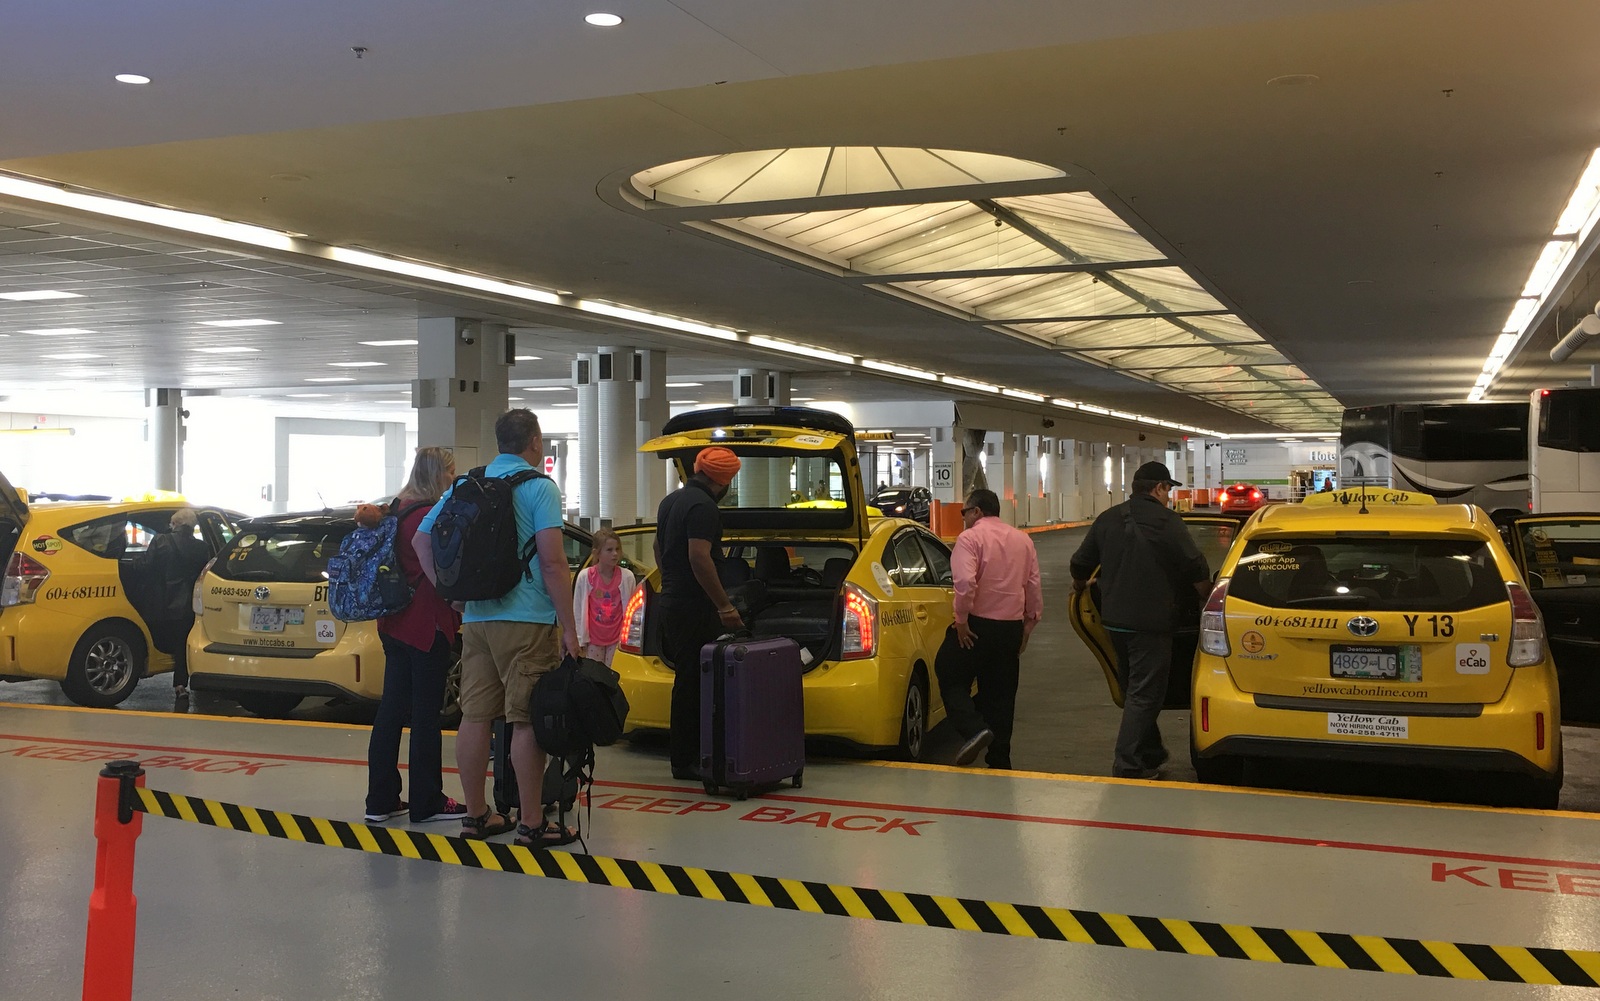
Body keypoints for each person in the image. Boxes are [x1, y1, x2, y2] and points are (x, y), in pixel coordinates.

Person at [414, 410, 581, 847]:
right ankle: (532, 823)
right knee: (525, 721)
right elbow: (552, 561)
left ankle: (476, 816)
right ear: (535, 441)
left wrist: (451, 596)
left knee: (475, 717)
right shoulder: (539, 487)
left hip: (477, 618)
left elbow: (421, 541)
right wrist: (570, 627)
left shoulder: (466, 484)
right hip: (527, 620)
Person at [1069, 461, 1212, 779]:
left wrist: (1080, 586)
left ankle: (1151, 752)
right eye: (1168, 489)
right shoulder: (1168, 521)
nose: (1168, 496)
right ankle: (1128, 764)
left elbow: (1080, 562)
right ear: (1159, 488)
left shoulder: (1108, 518)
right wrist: (1208, 595)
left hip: (1114, 622)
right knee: (1145, 694)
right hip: (1152, 623)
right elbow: (1195, 565)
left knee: (1135, 690)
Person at [363, 446, 468, 826]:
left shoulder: (396, 508)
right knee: (426, 715)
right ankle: (427, 801)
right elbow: (443, 568)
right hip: (426, 624)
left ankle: (380, 799)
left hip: (393, 624)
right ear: (439, 474)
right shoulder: (428, 515)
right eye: (450, 471)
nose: (453, 478)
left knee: (390, 711)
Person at [934, 488, 1042, 770]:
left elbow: (965, 582)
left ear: (977, 511)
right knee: (1002, 695)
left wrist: (961, 620)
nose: (963, 518)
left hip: (976, 627)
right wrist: (1028, 626)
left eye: (964, 512)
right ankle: (1000, 760)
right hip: (1010, 629)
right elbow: (1033, 586)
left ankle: (973, 729)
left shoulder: (969, 539)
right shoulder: (1023, 540)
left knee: (948, 671)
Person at [653, 446, 744, 779]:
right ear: (723, 479)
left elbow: (658, 547)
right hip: (694, 606)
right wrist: (725, 605)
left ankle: (686, 756)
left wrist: (670, 580)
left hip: (672, 601)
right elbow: (699, 557)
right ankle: (687, 760)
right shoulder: (704, 507)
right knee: (694, 684)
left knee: (687, 679)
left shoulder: (670, 501)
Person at [139, 508, 214, 698]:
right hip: (188, 603)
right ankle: (181, 684)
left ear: (174, 524)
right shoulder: (202, 547)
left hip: (161, 601)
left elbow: (146, 566)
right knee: (183, 643)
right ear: (192, 526)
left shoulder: (160, 541)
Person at [574, 528, 637, 667]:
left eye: (617, 549)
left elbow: (631, 610)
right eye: (609, 550)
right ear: (597, 553)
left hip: (617, 638)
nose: (615, 554)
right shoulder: (586, 577)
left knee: (614, 673)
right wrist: (579, 639)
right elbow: (578, 609)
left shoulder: (627, 577)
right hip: (594, 639)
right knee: (595, 674)